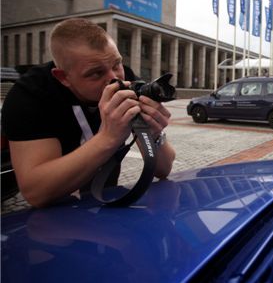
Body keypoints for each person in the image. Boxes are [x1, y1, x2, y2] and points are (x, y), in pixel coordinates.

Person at [1, 18, 175, 207]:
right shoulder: (31, 95)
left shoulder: (127, 80)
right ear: (63, 77)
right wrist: (108, 137)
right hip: (54, 222)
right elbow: (36, 192)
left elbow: (163, 169)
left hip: (107, 204)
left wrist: (154, 133)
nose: (114, 80)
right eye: (96, 73)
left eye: (117, 64)